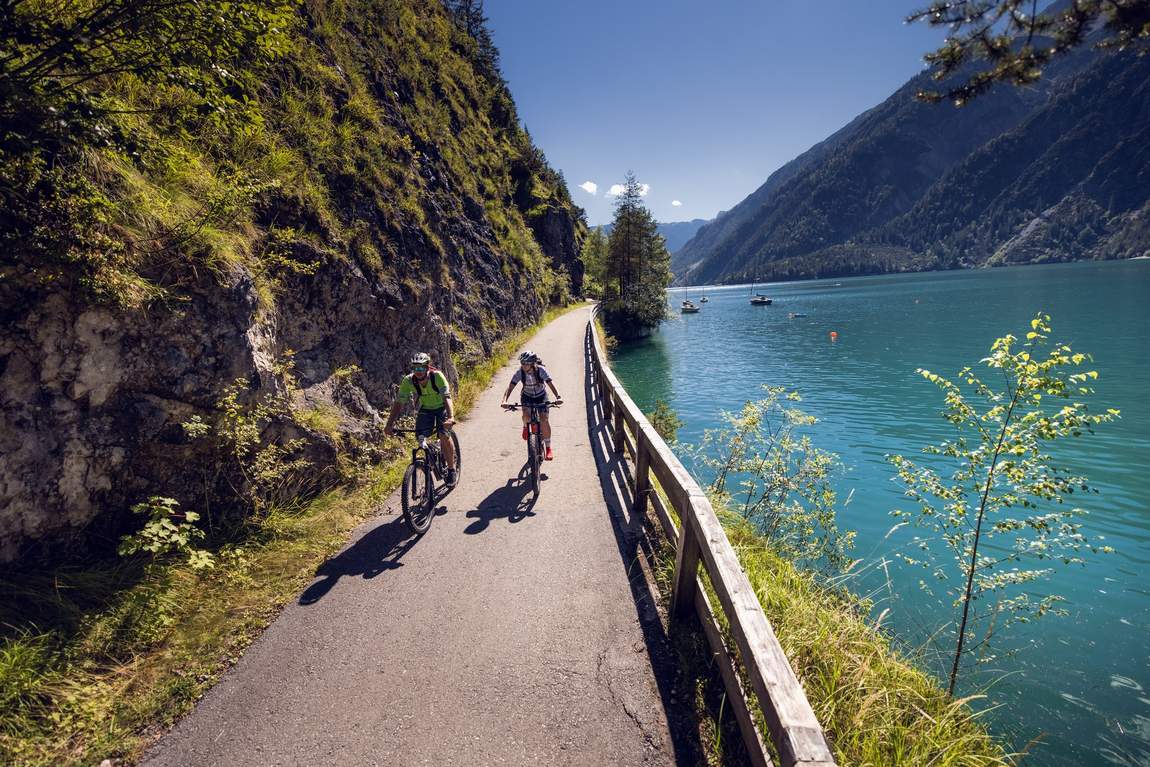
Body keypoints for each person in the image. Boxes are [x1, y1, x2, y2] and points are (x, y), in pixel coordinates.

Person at [384, 352, 457, 485]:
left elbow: (447, 397)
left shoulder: (437, 376)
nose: (418, 371)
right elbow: (399, 403)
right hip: (426, 408)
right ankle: (434, 451)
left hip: (442, 407)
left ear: (427, 367)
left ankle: (451, 470)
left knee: (444, 435)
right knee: (420, 437)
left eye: (421, 367)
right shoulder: (408, 380)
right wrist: (389, 424)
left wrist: (450, 417)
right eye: (415, 368)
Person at [501, 350, 562, 460]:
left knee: (544, 419)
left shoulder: (541, 370)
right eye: (522, 363)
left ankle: (548, 448)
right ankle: (525, 426)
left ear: (532, 363)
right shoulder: (520, 372)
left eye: (526, 363)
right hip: (527, 395)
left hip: (541, 395)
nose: (523, 365)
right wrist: (504, 400)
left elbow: (550, 383)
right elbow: (510, 386)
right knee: (526, 415)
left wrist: (558, 397)